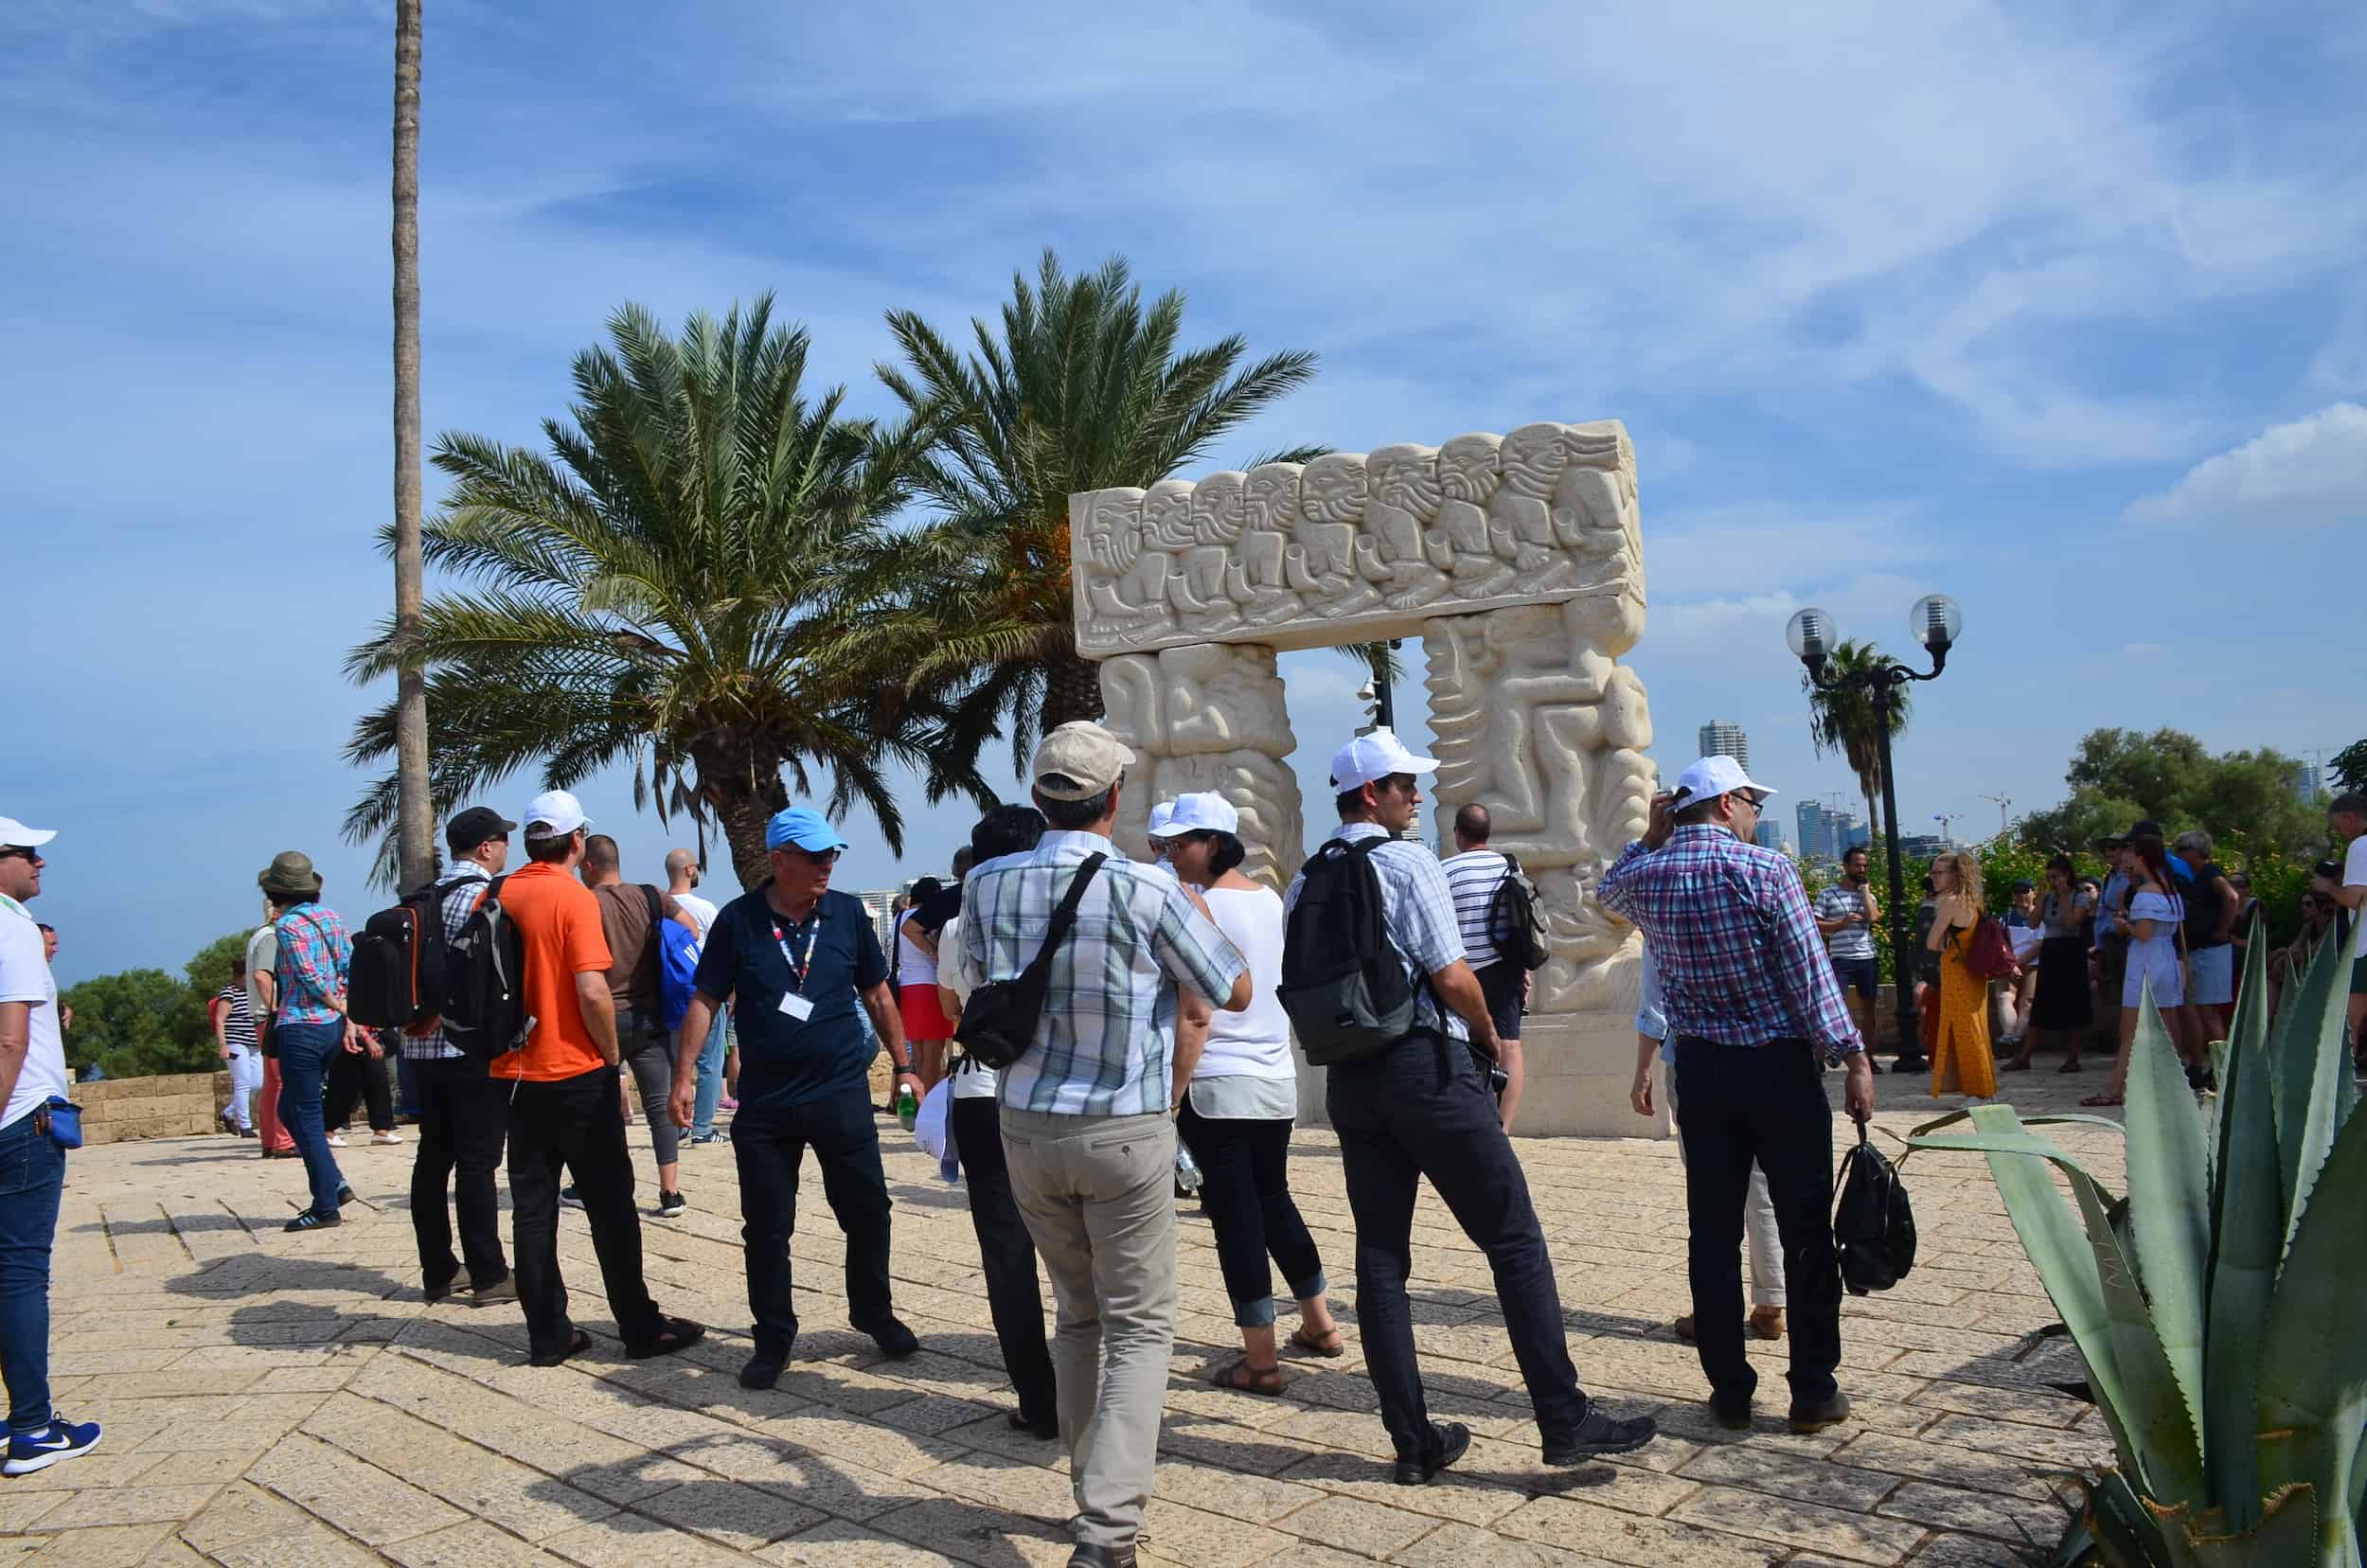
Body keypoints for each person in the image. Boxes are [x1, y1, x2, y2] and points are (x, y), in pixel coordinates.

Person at [1302, 728, 1653, 1484]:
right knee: (1514, 1238)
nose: (1418, 795)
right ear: (1372, 793)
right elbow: (1452, 973)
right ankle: (1563, 1419)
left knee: (1381, 1259)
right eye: (1405, 785)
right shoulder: (1406, 861)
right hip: (1425, 1068)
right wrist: (1489, 1036)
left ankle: (1413, 1441)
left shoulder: (1309, 875)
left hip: (1351, 1082)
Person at [961, 722, 1252, 1567]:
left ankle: (1090, 1478)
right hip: (1122, 1123)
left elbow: (976, 981)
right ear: (1114, 798)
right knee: (1142, 1325)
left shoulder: (985, 884)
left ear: (1041, 794)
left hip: (1026, 1123)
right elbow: (1228, 989)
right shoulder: (1147, 889)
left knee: (1078, 1312)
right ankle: (1107, 1527)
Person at [1598, 755, 1872, 1436]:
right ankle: (1812, 1388)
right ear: (1727, 804)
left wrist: (1650, 837)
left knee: (1712, 1236)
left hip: (1704, 1075)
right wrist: (1856, 1058)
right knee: (1806, 1228)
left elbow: (1607, 891)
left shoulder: (1650, 878)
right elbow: (1811, 980)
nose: (1753, 812)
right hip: (1779, 1071)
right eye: (1750, 800)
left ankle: (1730, 1392)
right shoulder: (1766, 869)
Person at [669, 806, 923, 1391]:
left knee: (867, 1211)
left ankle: (873, 1312)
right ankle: (774, 1335)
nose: (826, 865)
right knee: (766, 1226)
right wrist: (684, 1077)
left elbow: (879, 994)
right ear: (779, 860)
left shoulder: (847, 914)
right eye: (814, 856)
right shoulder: (738, 922)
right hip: (766, 1102)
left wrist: (905, 1066)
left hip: (839, 1092)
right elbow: (706, 1000)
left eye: (831, 855)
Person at [497, 791, 702, 1367]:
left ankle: (547, 1334)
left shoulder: (502, 892)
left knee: (533, 1208)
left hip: (513, 1070)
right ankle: (638, 1327)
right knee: (611, 1204)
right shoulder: (573, 897)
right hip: (575, 1069)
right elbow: (591, 990)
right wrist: (610, 1057)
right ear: (577, 840)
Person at [1153, 793, 1344, 1394]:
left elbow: (1195, 1013)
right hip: (1273, 1075)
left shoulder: (1193, 906)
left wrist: (1173, 1094)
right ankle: (1320, 1323)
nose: (1170, 854)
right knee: (1274, 1199)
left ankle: (1260, 1361)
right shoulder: (1271, 899)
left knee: (1235, 1218)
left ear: (1213, 843)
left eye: (1180, 844)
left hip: (1216, 1080)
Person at [934, 804, 1059, 1439]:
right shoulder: (1072, 904)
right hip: (1059, 1091)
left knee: (1006, 1251)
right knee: (1078, 1248)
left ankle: (1037, 1397)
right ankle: (1091, 1387)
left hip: (984, 1088)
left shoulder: (960, 922)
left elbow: (952, 1004)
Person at [0, 818, 102, 1476]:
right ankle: (33, 1428)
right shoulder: (10, 927)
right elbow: (11, 1040)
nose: (41, 863)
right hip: (21, 1121)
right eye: (28, 853)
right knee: (19, 1274)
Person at [1628, 942, 1785, 1343]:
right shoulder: (1755, 889)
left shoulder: (1663, 906)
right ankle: (1771, 1303)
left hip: (1695, 1059)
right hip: (1763, 1055)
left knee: (1711, 1190)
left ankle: (1716, 1310)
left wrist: (1643, 1069)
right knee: (1760, 1183)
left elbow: (1655, 1003)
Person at [400, 807, 519, 1305]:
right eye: (503, 841)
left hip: (418, 1047)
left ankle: (439, 1270)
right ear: (487, 847)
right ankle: (490, 1274)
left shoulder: (419, 899)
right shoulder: (485, 897)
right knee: (478, 1162)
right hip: (469, 1048)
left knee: (432, 1157)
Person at [572, 834, 696, 1217]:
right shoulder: (651, 895)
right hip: (649, 1014)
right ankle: (670, 1192)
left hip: (601, 1017)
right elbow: (690, 928)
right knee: (660, 1105)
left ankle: (597, 1185)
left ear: (589, 866)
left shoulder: (585, 903)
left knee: (600, 1105)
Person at [258, 852, 361, 1232]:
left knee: (305, 1114)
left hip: (302, 1026)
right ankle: (334, 1181)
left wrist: (336, 1003)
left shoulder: (286, 927)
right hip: (331, 1027)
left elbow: (307, 975)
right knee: (290, 1109)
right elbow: (350, 965)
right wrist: (346, 1008)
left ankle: (325, 1204)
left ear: (274, 892)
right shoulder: (331, 917)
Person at [2088, 825, 2194, 1109]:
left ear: (2143, 857)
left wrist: (2125, 926)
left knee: (2129, 1032)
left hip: (2145, 961)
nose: (2127, 859)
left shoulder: (2147, 894)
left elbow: (2144, 933)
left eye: (2132, 855)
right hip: (2166, 958)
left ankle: (2114, 1089)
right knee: (2170, 1023)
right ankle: (2175, 1082)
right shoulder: (2170, 890)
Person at [1438, 803, 1529, 1125]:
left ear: (1458, 835)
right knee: (1510, 1045)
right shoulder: (1510, 867)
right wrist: (1524, 971)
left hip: (1461, 971)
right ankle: (1503, 1127)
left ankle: (1472, 1117)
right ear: (1488, 833)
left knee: (1462, 1045)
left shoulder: (1444, 870)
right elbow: (1524, 924)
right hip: (1503, 968)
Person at [665, 848, 731, 1148]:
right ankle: (702, 1128)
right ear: (690, 870)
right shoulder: (704, 909)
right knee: (710, 1062)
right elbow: (723, 955)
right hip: (702, 995)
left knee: (674, 1062)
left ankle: (678, 1126)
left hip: (667, 996)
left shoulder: (657, 906)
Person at [2005, 856, 2093, 1073]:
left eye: (2055, 877)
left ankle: (2073, 1057)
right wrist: (2044, 897)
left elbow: (2071, 922)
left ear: (2066, 876)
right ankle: (2025, 1056)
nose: (2052, 881)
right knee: (2040, 1005)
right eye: (2049, 877)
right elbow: (2033, 923)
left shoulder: (2079, 897)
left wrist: (2064, 896)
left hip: (2071, 951)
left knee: (2075, 1005)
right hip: (2052, 951)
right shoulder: (2049, 897)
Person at [1923, 851, 2000, 1099]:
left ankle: (1979, 1092)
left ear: (1955, 875)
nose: (1933, 877)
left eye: (1939, 873)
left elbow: (1932, 942)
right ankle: (1981, 1088)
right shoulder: (1972, 901)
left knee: (1966, 1031)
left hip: (1957, 973)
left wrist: (1943, 942)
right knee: (1975, 1028)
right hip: (1972, 973)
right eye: (1933, 872)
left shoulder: (1950, 902)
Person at [1813, 847, 1885, 1071]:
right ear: (1845, 866)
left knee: (1869, 1009)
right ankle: (1824, 1056)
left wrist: (1864, 892)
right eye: (1857, 865)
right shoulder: (1827, 894)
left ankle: (1869, 1057)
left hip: (1867, 957)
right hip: (1841, 958)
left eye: (1865, 865)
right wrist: (1839, 924)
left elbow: (1873, 917)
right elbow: (1815, 924)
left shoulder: (1868, 896)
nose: (1861, 869)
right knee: (1833, 1007)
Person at [2172, 830, 2240, 1041]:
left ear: (2196, 851)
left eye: (2182, 849)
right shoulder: (2184, 878)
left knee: (2208, 1012)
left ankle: (2220, 1067)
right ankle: (2200, 1062)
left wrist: (2223, 929)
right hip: (2191, 950)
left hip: (2211, 951)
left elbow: (2232, 897)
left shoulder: (2210, 873)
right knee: (2192, 1010)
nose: (2178, 854)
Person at [895, 877, 957, 1089]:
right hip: (930, 985)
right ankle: (927, 1102)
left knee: (919, 1052)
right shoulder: (927, 917)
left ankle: (919, 1099)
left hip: (907, 987)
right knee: (934, 1051)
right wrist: (934, 951)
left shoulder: (899, 917)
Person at [243, 915, 297, 1160]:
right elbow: (261, 976)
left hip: (263, 1017)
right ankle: (283, 1140)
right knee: (282, 1080)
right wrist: (276, 1008)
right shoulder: (271, 937)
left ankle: (270, 1139)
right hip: (271, 1015)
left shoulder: (259, 935)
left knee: (272, 1082)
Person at [2330, 793, 2367, 1051]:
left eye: (2337, 826)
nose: (2338, 832)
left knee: (2349, 1022)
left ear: (2350, 817)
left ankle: (2343, 1087)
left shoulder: (2360, 846)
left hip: (2365, 947)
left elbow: (2357, 899)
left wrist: (2328, 887)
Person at [322, 1024, 398, 1148]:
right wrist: (367, 1037)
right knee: (342, 1085)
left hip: (373, 1036)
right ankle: (327, 1130)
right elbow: (349, 1014)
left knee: (378, 1082)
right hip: (347, 1037)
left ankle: (381, 1130)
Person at [212, 957, 260, 1136]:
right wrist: (223, 1044)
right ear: (241, 976)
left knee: (257, 1083)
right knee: (243, 1082)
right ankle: (245, 1126)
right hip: (235, 1043)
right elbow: (219, 1020)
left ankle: (228, 1113)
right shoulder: (229, 992)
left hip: (254, 1044)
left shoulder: (254, 992)